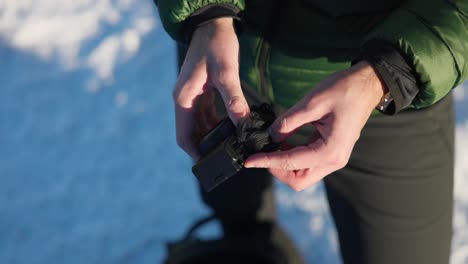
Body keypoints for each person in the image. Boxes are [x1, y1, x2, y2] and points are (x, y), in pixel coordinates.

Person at [155, 0, 468, 263]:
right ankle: (247, 241)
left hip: (388, 97)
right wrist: (205, 15)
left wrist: (390, 74)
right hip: (225, 61)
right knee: (233, 206)